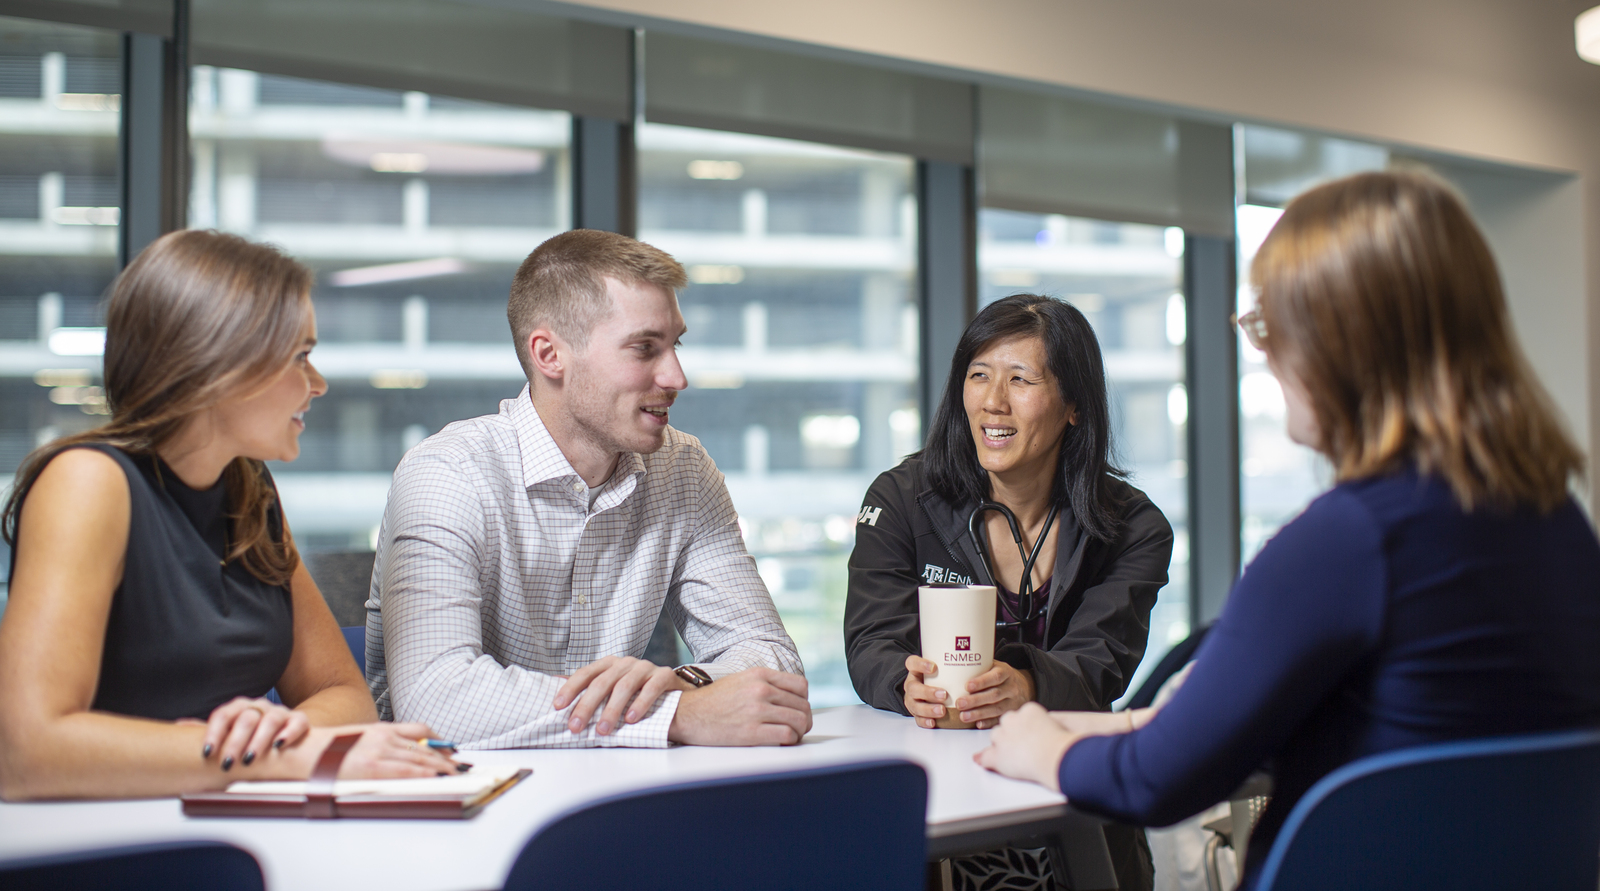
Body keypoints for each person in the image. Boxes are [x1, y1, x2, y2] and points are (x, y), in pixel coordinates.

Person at [975, 170, 1600, 889]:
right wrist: (1111, 728)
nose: (1264, 354)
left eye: (1271, 326)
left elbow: (1156, 783)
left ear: (1343, 343)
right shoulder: (1558, 527)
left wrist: (1041, 747)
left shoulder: (1349, 540)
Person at [0, 231, 457, 801]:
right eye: (300, 356)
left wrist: (269, 738)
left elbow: (346, 696)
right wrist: (279, 755)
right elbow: (25, 752)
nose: (317, 384)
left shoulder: (250, 490)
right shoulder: (87, 482)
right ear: (220, 363)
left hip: (208, 823)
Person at [366, 229, 810, 749]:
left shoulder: (684, 469)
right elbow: (438, 700)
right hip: (459, 805)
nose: (676, 376)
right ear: (550, 355)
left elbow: (770, 655)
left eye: (675, 345)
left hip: (613, 791)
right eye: (645, 348)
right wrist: (673, 715)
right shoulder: (448, 474)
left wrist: (683, 681)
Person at [846, 292, 1174, 891]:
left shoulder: (1133, 527)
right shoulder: (899, 499)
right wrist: (903, 680)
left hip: (1070, 792)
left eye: (1021, 379)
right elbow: (871, 638)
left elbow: (1102, 664)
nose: (992, 401)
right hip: (938, 795)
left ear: (1074, 405)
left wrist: (1024, 683)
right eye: (978, 376)